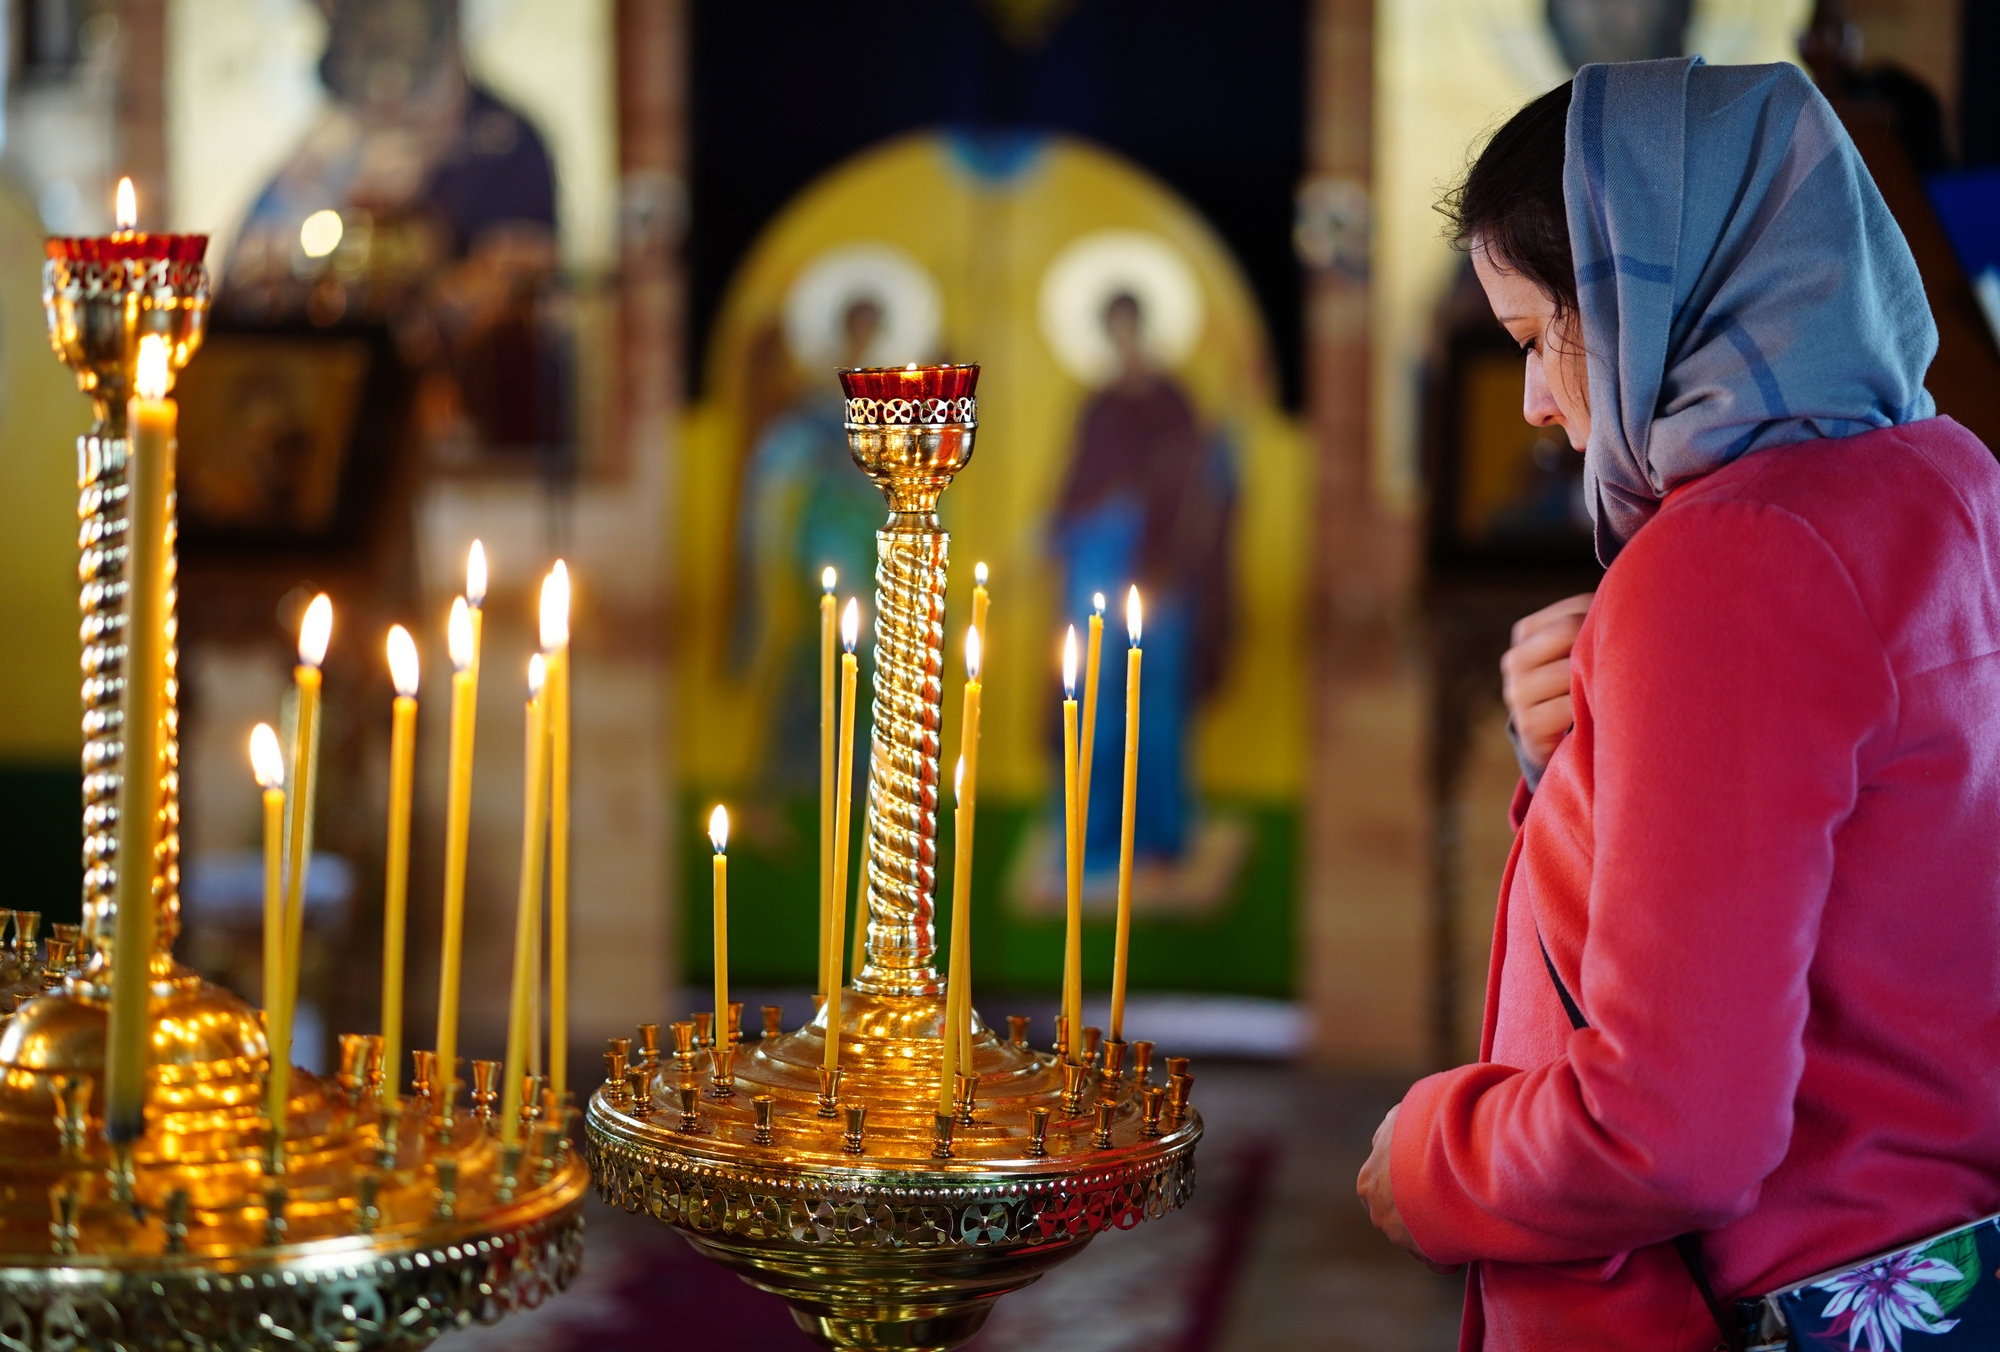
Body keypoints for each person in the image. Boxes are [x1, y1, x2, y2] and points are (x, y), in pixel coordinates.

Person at [1358, 58, 2000, 1350]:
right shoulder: (1944, 477)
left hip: (1777, 1298)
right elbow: (1883, 868)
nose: (1540, 407)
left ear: (1654, 291)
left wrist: (1429, 1157)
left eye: (1543, 336)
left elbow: (1669, 1129)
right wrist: (1586, 754)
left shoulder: (1730, 557)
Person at [1051, 292, 1235, 871]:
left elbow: (1201, 482)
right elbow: (1077, 482)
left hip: (1164, 567)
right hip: (1100, 561)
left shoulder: (1173, 400)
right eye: (1115, 328)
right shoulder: (1099, 405)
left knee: (1157, 705)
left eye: (1131, 326)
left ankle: (1160, 838)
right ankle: (1097, 839)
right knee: (1096, 705)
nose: (1124, 339)